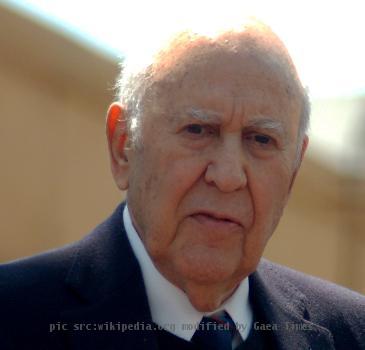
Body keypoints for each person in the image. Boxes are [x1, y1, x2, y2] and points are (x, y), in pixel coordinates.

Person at [1, 19, 364, 350]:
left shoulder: (353, 334)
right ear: (123, 145)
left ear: (294, 169)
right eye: (198, 130)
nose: (227, 177)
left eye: (261, 140)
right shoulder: (12, 316)